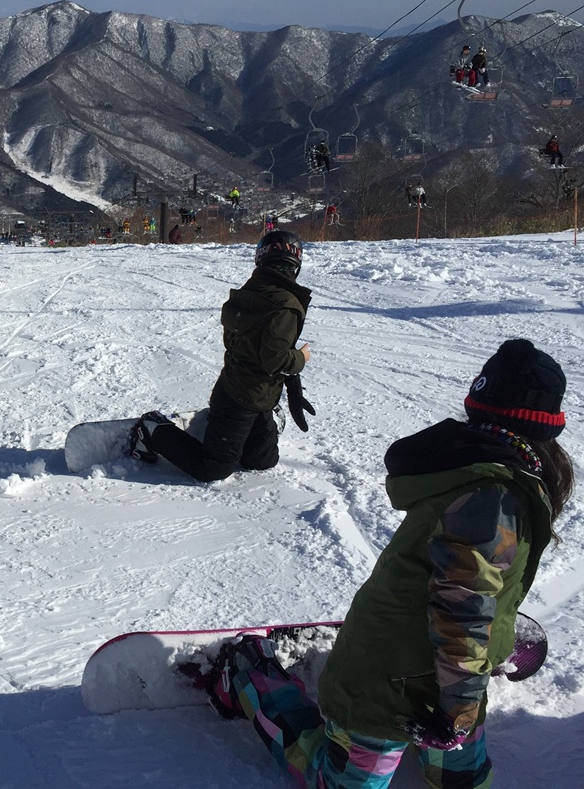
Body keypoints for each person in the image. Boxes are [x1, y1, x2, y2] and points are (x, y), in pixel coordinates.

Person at [206, 338, 573, 789]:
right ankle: (249, 672)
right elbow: (463, 610)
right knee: (336, 782)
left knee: (464, 784)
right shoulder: (491, 497)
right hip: (383, 684)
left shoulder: (499, 471)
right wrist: (459, 707)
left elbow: (483, 593)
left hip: (451, 683)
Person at [130, 230, 313, 482]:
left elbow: (249, 346)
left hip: (252, 393)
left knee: (262, 461)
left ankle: (261, 421)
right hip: (239, 398)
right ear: (296, 267)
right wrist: (300, 358)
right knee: (213, 469)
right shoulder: (286, 306)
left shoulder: (250, 290)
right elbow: (275, 359)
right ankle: (152, 429)